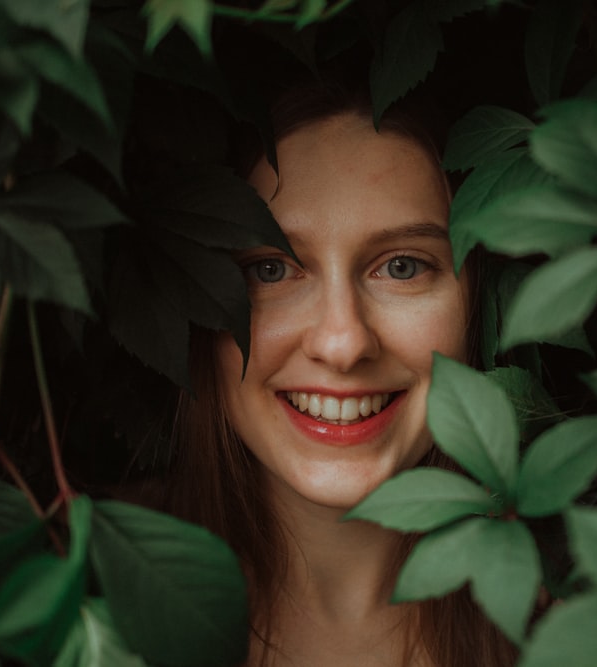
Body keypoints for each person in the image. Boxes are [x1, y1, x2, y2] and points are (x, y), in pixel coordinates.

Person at [163, 82, 517, 666]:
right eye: (271, 269)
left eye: (402, 267)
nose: (343, 342)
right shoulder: (71, 598)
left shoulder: (593, 633)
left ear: (479, 303)